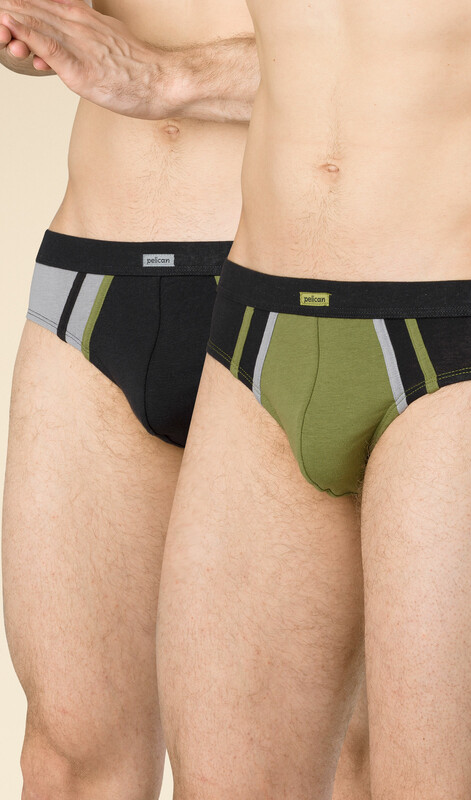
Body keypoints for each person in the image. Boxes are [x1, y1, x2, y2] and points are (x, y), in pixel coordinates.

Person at [0, 2, 369, 798]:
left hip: (302, 290)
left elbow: (412, 64)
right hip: (97, 270)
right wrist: (38, 30)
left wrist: (168, 77)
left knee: (308, 769)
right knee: (67, 759)